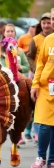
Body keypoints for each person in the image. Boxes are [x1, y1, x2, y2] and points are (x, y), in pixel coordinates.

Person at [30, 7, 54, 168]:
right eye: (52, 18)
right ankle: (40, 158)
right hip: (47, 88)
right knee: (45, 126)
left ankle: (51, 161)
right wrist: (35, 84)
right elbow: (40, 64)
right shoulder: (48, 40)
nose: (53, 22)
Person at [26, 13, 53, 142]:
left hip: (50, 78)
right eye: (44, 23)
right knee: (37, 105)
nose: (46, 25)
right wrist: (35, 68)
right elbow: (29, 55)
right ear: (40, 25)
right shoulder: (36, 39)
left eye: (49, 22)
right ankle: (34, 131)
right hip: (38, 76)